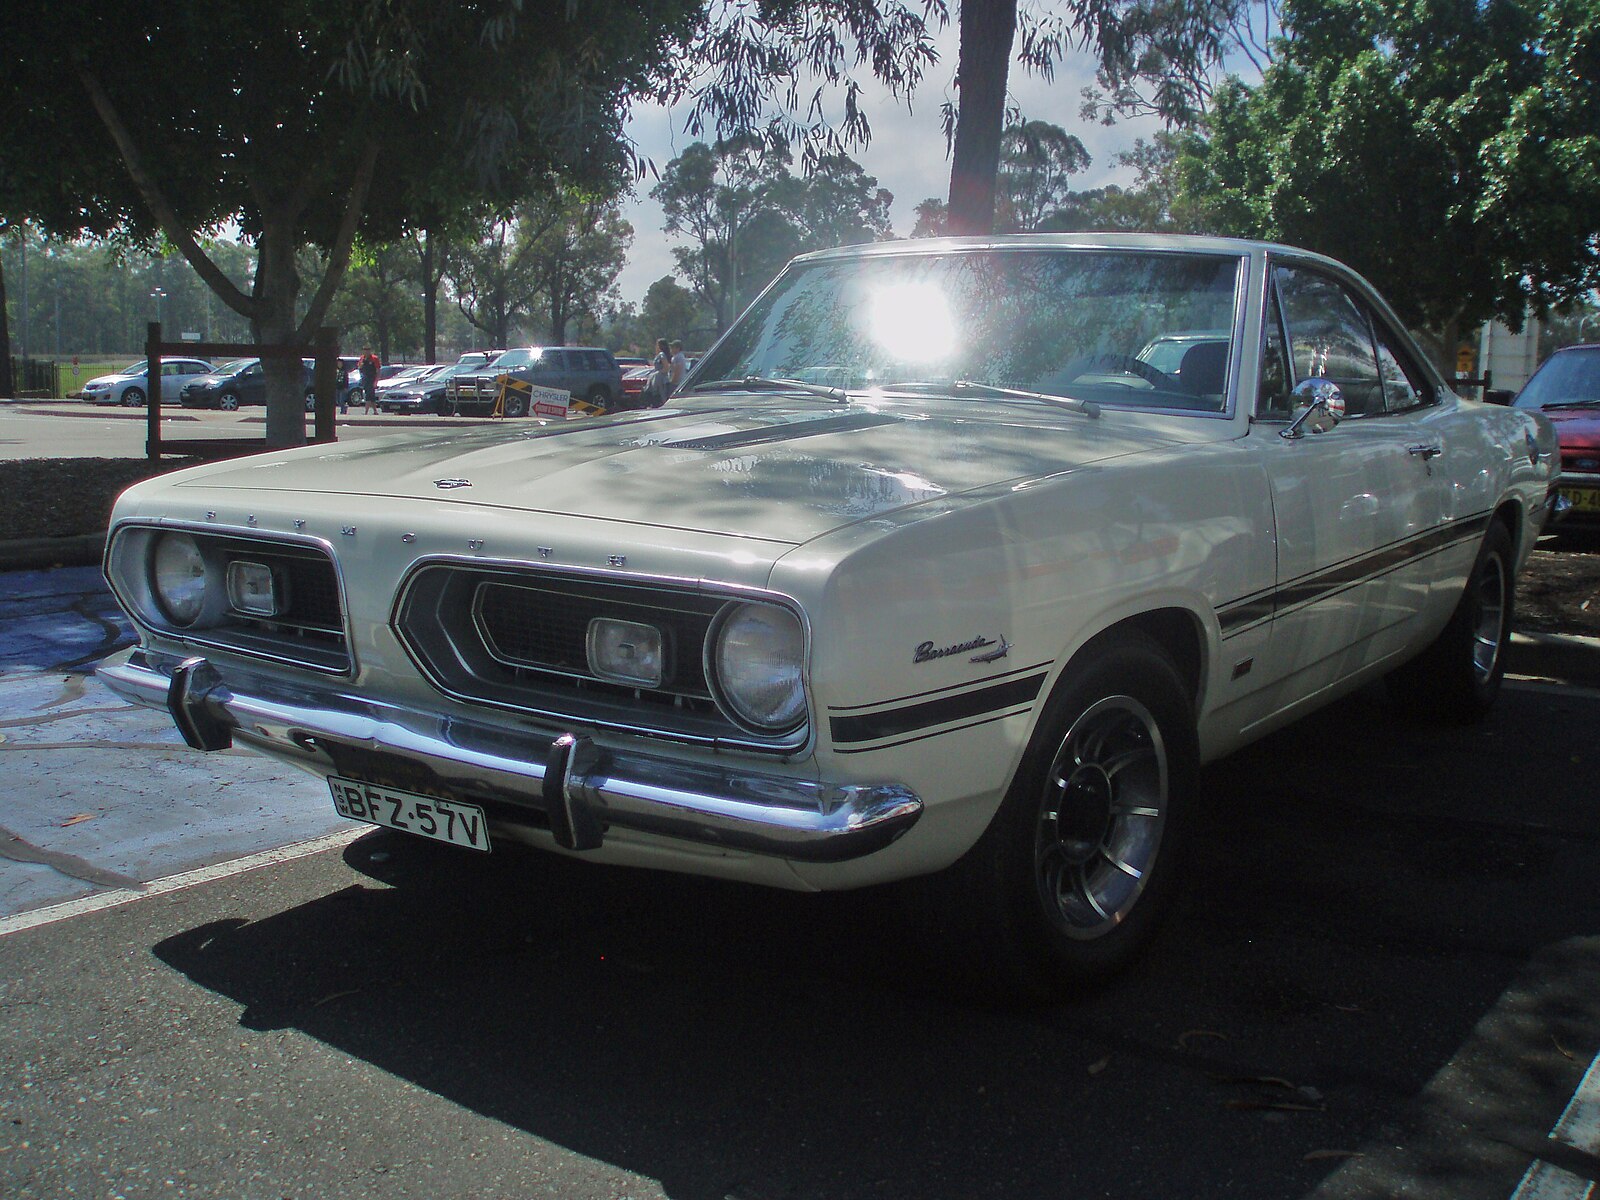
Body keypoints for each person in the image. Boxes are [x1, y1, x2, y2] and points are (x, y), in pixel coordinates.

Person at [646, 338, 670, 408]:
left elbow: (666, 367)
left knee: (661, 395)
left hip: (660, 379)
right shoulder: (660, 355)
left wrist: (657, 373)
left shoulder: (661, 355)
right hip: (657, 379)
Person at [358, 349, 380, 414]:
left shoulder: (374, 358)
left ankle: (366, 412)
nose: (366, 352)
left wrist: (376, 381)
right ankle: (375, 411)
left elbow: (378, 370)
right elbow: (359, 367)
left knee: (368, 395)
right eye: (365, 350)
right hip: (365, 379)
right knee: (371, 396)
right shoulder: (362, 358)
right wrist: (361, 365)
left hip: (372, 379)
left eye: (368, 350)